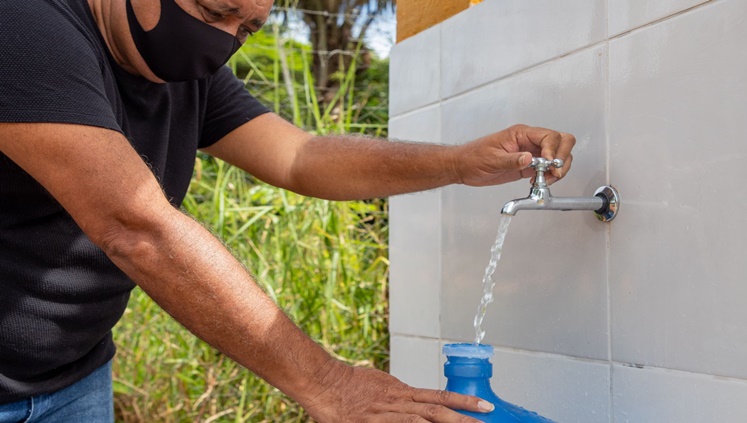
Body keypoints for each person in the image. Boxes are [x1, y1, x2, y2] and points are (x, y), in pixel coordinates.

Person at [0, 0, 575, 421]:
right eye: (213, 11)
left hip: (73, 376)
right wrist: (331, 385)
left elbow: (299, 156)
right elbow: (135, 225)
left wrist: (459, 163)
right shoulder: (22, 25)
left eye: (246, 28)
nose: (224, 39)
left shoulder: (183, 73)